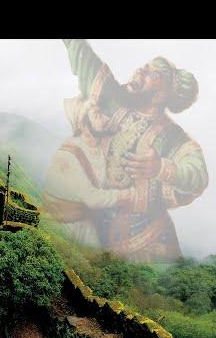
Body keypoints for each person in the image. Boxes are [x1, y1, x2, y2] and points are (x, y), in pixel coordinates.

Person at [44, 39, 208, 262]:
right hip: (94, 230)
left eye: (152, 74)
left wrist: (161, 167)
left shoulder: (172, 136)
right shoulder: (114, 101)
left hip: (148, 246)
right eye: (145, 66)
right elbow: (83, 56)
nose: (141, 71)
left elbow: (198, 174)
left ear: (159, 96)